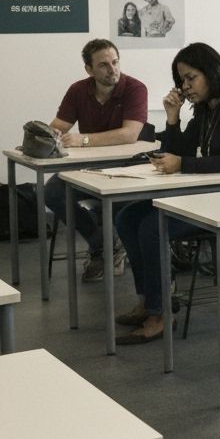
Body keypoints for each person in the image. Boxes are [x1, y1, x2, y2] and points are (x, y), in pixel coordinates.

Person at [114, 42, 220, 345]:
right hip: (209, 193)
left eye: (190, 78)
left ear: (211, 73)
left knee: (151, 226)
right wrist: (173, 117)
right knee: (127, 216)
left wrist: (183, 164)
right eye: (181, 81)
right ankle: (150, 300)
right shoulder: (206, 109)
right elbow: (180, 149)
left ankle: (159, 315)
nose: (185, 87)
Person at [46, 39, 148, 281]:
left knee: (118, 204)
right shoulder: (78, 90)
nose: (112, 69)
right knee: (52, 193)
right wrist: (46, 136)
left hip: (127, 168)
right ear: (89, 70)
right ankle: (104, 244)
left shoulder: (135, 88)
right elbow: (58, 127)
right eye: (103, 65)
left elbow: (129, 134)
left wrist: (83, 140)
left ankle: (108, 247)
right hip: (88, 168)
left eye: (115, 62)